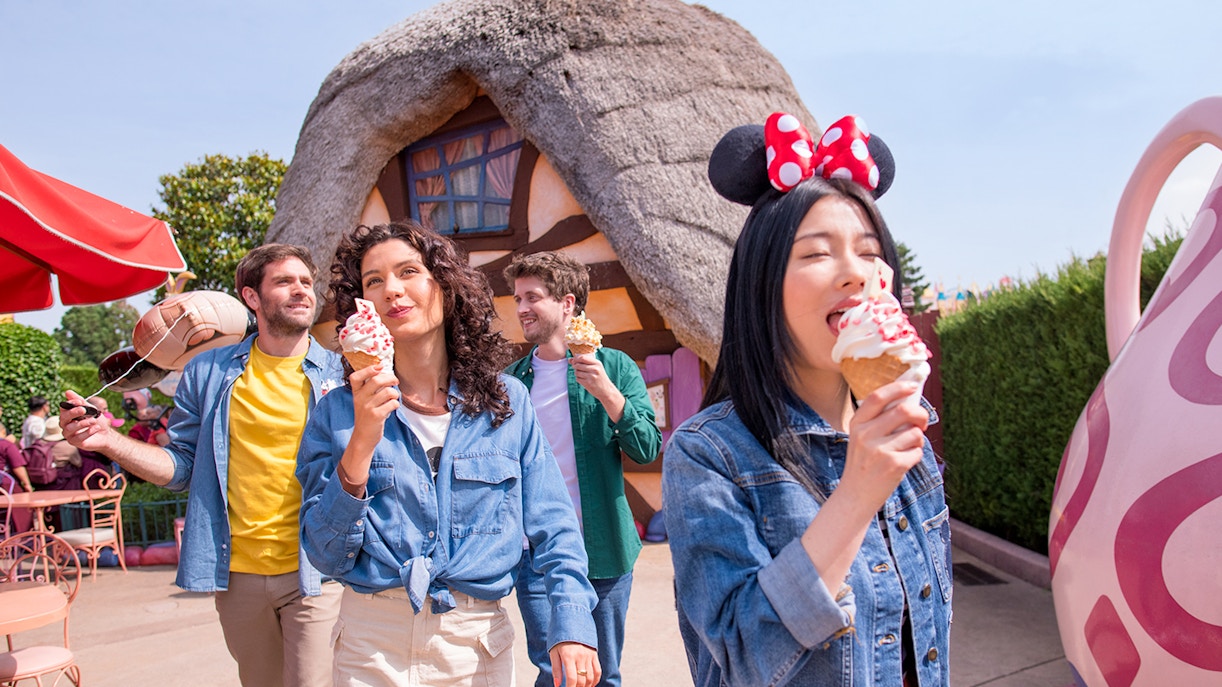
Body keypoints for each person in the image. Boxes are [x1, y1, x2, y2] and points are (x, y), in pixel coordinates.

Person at [663, 117, 951, 685]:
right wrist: (859, 490)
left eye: (870, 253)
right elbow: (743, 656)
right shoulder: (709, 455)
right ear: (763, 282)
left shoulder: (908, 429)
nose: (856, 274)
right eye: (818, 254)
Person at [297, 221, 602, 686]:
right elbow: (325, 554)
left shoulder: (508, 402)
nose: (391, 290)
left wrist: (573, 625)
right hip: (370, 644)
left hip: (474, 644)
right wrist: (361, 442)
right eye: (373, 281)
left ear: (445, 284)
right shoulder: (336, 410)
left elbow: (555, 528)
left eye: (408, 272)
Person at [61, 243, 346, 687]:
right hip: (236, 575)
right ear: (251, 296)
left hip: (316, 569)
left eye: (306, 282)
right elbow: (181, 466)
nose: (301, 291)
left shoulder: (341, 376)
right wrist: (109, 441)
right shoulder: (207, 373)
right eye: (284, 282)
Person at [503, 251, 662, 687]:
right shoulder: (512, 383)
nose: (520, 309)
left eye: (531, 297)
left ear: (568, 303)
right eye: (517, 298)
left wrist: (609, 394)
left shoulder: (615, 367)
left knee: (602, 675)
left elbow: (647, 449)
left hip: (604, 548)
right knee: (552, 672)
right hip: (537, 556)